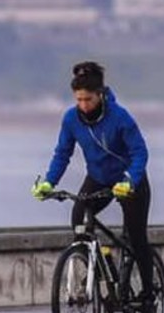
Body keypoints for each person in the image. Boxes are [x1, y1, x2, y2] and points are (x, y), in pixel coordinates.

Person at [31, 61, 155, 310]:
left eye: (88, 99)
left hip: (129, 181)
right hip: (98, 178)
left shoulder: (120, 117)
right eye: (78, 99)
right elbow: (62, 153)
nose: (83, 105)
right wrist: (48, 182)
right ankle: (100, 270)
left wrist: (130, 180)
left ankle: (148, 294)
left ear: (100, 94)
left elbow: (140, 152)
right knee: (79, 217)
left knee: (137, 237)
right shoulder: (70, 119)